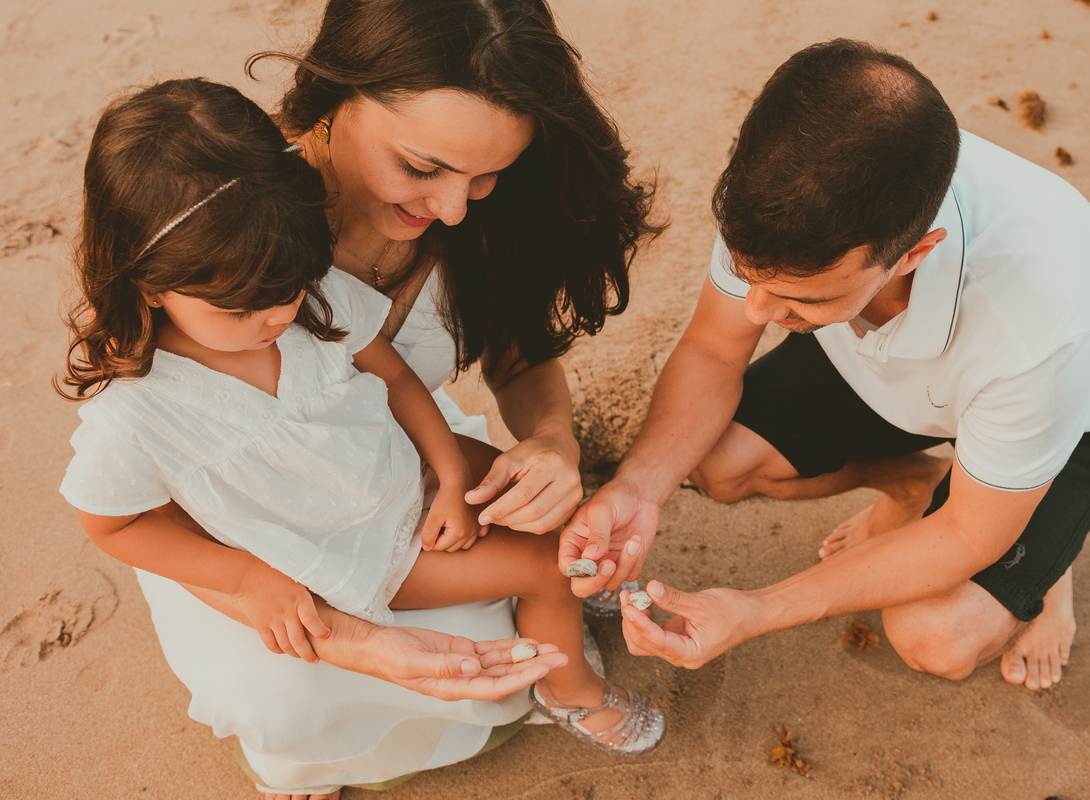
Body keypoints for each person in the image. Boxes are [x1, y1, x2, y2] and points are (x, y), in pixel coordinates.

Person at [58, 79, 665, 799]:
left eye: (286, 289)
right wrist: (249, 578)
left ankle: (568, 597)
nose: (276, 315)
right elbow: (113, 521)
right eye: (242, 307)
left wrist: (444, 462)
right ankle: (571, 687)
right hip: (351, 543)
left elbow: (395, 375)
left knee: (540, 504)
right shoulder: (136, 412)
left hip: (393, 459)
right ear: (150, 283)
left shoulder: (304, 289)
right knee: (543, 563)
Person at [561, 39, 1090, 696]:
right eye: (751, 278)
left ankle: (1034, 538)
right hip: (885, 362)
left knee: (936, 636)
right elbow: (715, 351)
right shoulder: (780, 199)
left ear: (913, 254)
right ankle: (933, 484)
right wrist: (636, 489)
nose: (758, 313)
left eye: (802, 296)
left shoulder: (1042, 321)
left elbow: (969, 536)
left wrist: (756, 609)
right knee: (717, 462)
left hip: (1079, 412)